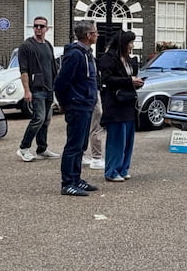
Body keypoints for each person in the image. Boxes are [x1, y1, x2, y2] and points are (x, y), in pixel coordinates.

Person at [54, 20, 100, 197]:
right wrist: (67, 103)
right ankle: (68, 183)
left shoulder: (87, 53)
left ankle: (76, 178)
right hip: (77, 105)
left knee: (81, 144)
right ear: (88, 35)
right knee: (73, 145)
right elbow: (61, 82)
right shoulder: (75, 55)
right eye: (95, 32)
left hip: (86, 104)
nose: (97, 35)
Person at [98, 30, 144, 182]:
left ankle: (123, 168)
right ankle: (111, 171)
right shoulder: (108, 58)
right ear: (123, 44)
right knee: (116, 139)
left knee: (128, 139)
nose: (132, 45)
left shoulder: (129, 59)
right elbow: (107, 78)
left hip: (128, 102)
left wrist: (136, 81)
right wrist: (129, 81)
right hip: (115, 103)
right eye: (130, 43)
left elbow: (130, 76)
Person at [16, 16, 60, 162]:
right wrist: (27, 90)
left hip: (49, 88)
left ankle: (42, 148)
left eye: (42, 26)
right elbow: (23, 70)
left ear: (47, 28)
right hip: (37, 89)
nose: (38, 28)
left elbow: (53, 67)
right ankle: (23, 148)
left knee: (46, 120)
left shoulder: (48, 45)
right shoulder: (26, 46)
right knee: (38, 118)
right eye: (36, 26)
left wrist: (56, 88)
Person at [82, 95, 106, 170]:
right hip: (92, 90)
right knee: (96, 125)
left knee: (85, 125)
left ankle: (81, 154)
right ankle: (96, 158)